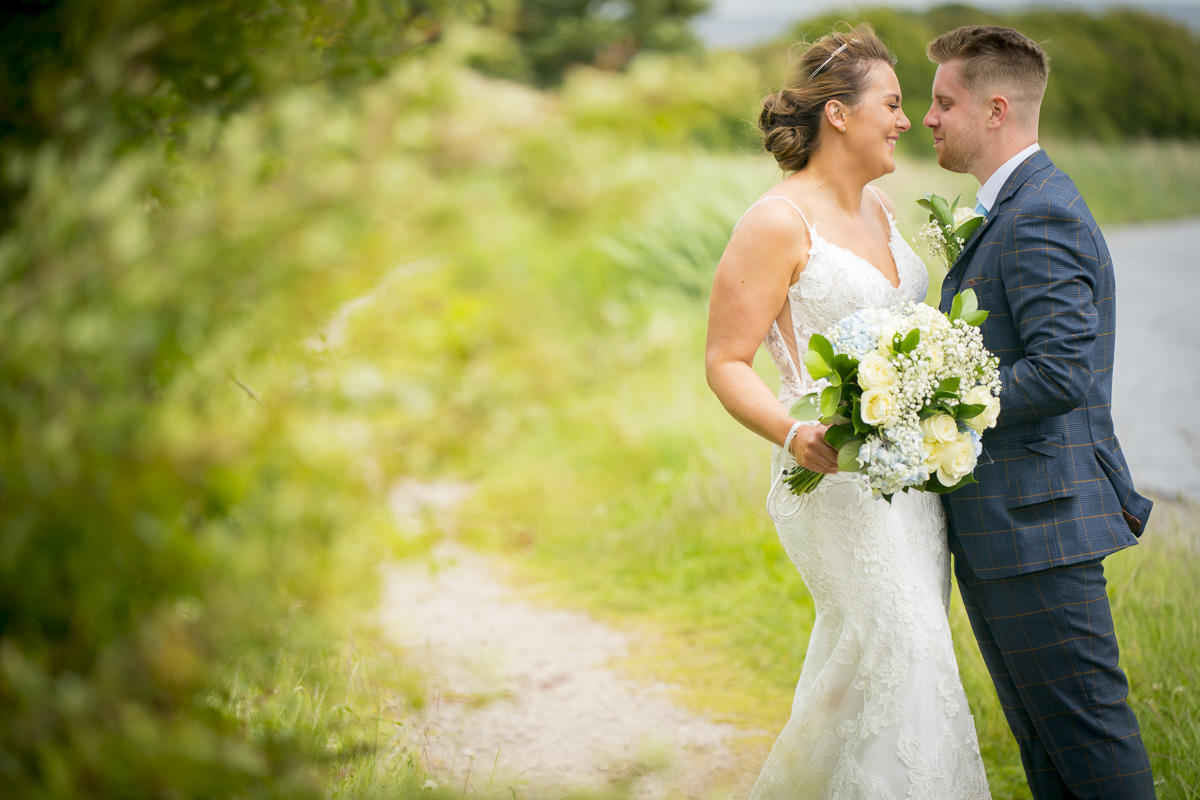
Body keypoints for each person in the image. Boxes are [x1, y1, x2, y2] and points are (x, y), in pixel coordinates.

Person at [705, 24, 990, 798]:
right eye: (893, 104)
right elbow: (725, 362)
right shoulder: (776, 222)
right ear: (839, 113)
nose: (907, 120)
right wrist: (792, 431)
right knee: (907, 646)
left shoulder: (883, 209)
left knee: (871, 660)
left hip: (906, 480)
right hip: (828, 475)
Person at [924, 25, 1156, 799]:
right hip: (1010, 527)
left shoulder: (1038, 214)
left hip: (1040, 527)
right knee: (1048, 749)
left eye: (942, 102)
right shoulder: (1014, 207)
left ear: (995, 109)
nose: (928, 119)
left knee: (1092, 742)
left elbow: (1060, 373)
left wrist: (932, 410)